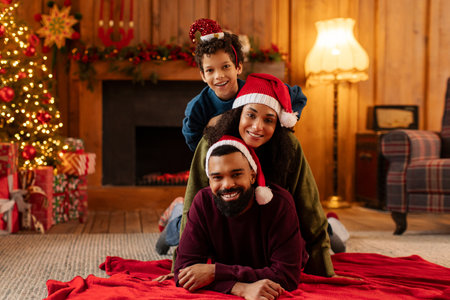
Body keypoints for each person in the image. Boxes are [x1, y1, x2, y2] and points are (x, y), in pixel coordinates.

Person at [177, 73, 335, 278]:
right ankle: (172, 216)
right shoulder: (212, 144)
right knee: (178, 226)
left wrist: (324, 271)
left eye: (268, 120)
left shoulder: (289, 148)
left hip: (273, 232)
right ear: (238, 114)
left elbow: (309, 206)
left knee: (332, 235)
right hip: (222, 227)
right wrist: (178, 267)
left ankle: (335, 226)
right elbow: (193, 205)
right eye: (250, 115)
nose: (257, 126)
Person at [174, 136, 307, 298]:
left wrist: (215, 271)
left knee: (333, 235)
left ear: (252, 175)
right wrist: (240, 288)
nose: (227, 184)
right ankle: (174, 211)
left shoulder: (280, 204)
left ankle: (332, 221)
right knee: (175, 227)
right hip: (191, 222)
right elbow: (184, 273)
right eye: (217, 177)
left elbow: (287, 277)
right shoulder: (203, 201)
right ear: (209, 181)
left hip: (298, 239)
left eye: (236, 174)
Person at [182, 18, 307, 152]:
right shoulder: (197, 107)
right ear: (203, 76)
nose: (218, 75)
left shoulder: (258, 90)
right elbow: (194, 143)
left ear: (238, 67)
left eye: (225, 66)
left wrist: (284, 119)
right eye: (210, 70)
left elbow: (298, 96)